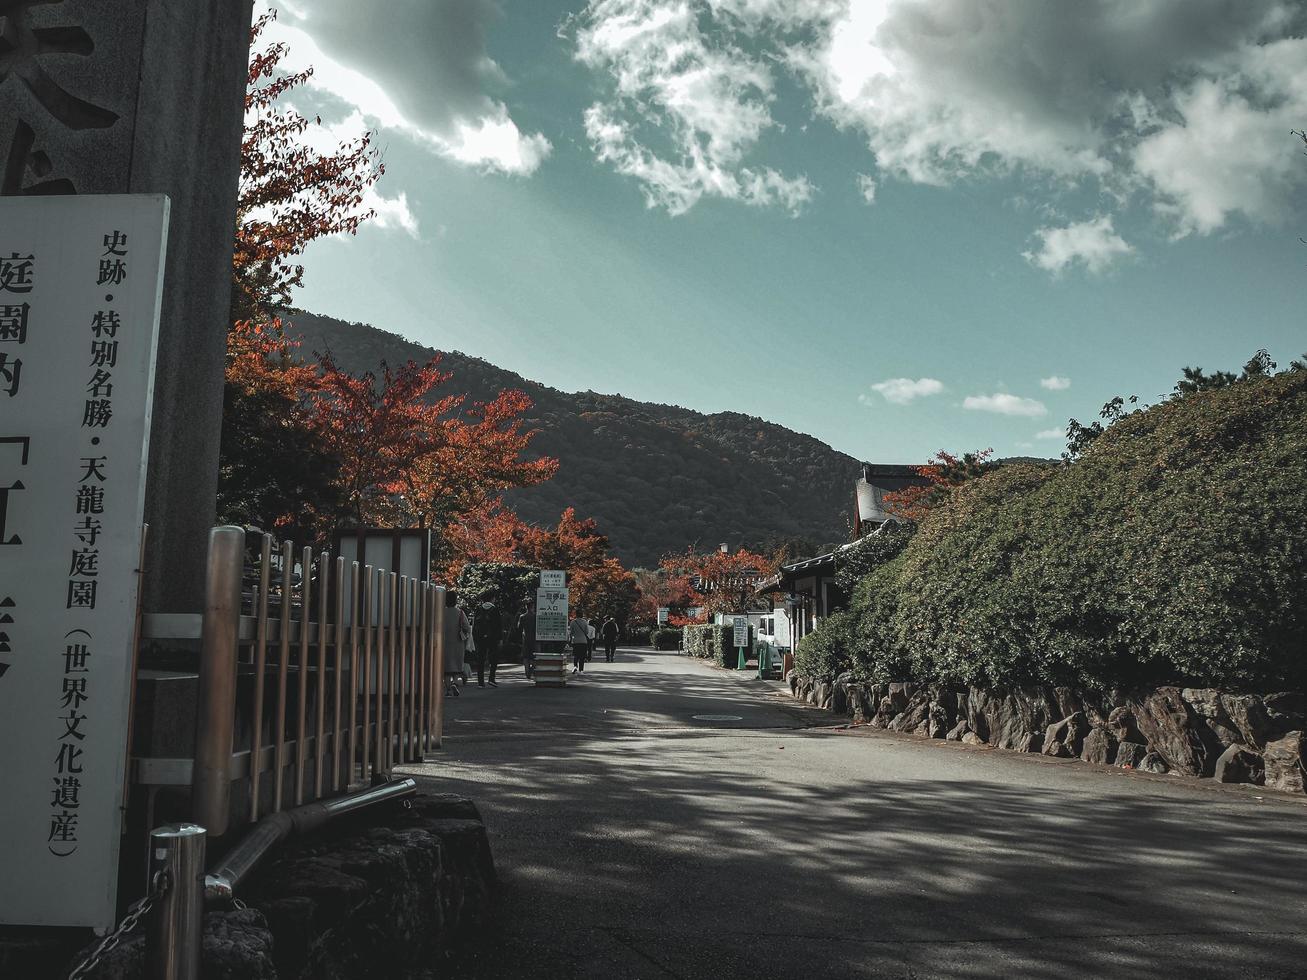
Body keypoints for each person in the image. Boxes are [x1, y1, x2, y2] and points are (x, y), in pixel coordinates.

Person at [442, 589, 471, 697]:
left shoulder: (441, 612)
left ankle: (448, 689)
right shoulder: (460, 613)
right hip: (457, 643)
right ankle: (454, 682)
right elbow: (467, 628)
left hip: (444, 643)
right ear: (455, 600)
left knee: (445, 669)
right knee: (455, 668)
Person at [472, 600, 502, 687]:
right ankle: (491, 678)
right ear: (492, 598)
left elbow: (475, 624)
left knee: (480, 659)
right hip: (492, 638)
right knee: (494, 658)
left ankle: (480, 682)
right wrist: (500, 638)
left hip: (480, 638)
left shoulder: (479, 609)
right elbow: (498, 625)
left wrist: (475, 636)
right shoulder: (494, 609)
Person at [516, 599, 537, 679]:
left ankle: (527, 671)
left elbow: (519, 628)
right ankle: (533, 670)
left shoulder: (522, 617)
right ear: (532, 607)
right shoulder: (535, 616)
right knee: (534, 656)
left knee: (526, 656)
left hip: (525, 638)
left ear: (526, 607)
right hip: (535, 639)